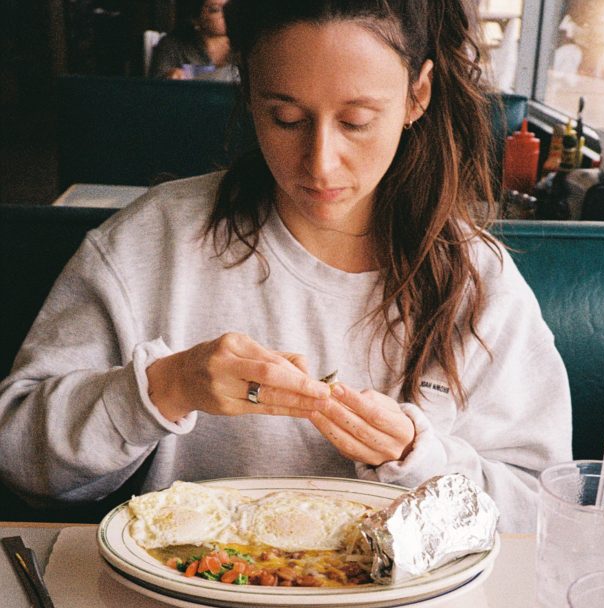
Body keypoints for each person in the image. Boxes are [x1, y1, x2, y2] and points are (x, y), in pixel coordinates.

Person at [0, 0, 571, 532]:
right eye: (287, 119)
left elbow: (541, 516)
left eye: (356, 121)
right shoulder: (155, 242)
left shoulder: (479, 282)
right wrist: (164, 388)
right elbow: (20, 463)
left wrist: (416, 460)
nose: (321, 163)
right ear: (249, 92)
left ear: (417, 95)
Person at [148, 0, 233, 80]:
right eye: (215, 10)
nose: (226, 14)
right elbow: (154, 88)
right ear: (195, 18)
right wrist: (169, 77)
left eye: (229, 8)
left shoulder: (242, 45)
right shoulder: (172, 46)